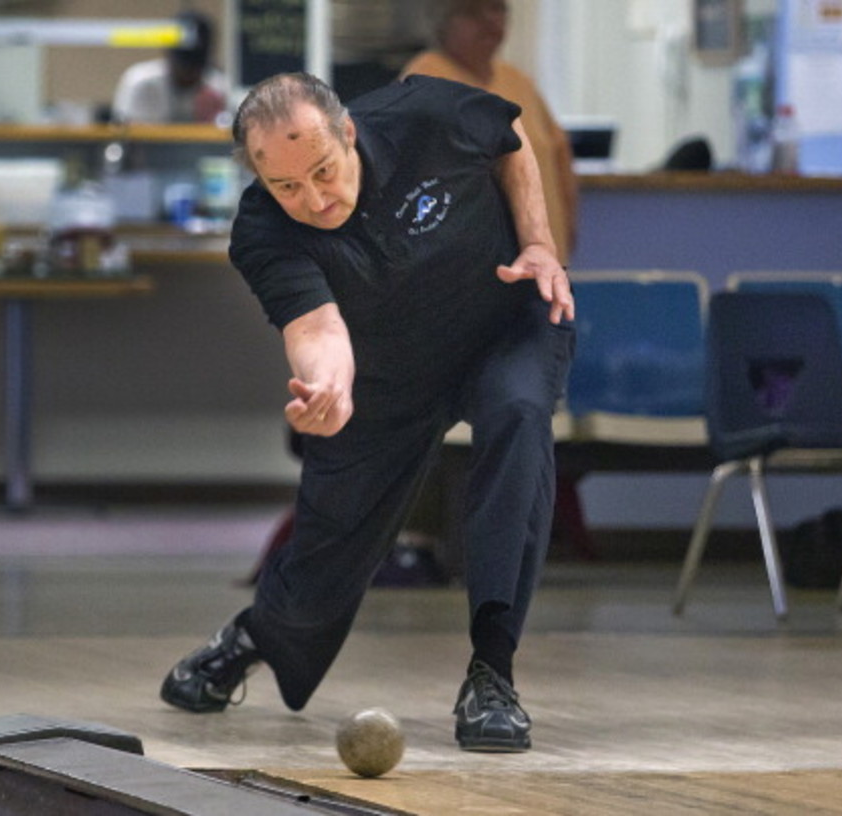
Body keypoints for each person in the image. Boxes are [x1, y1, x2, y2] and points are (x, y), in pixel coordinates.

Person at [159, 71, 575, 753]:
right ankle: (256, 635)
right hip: (385, 372)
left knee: (520, 416)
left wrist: (538, 241)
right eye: (287, 187)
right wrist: (331, 388)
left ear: (348, 130)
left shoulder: (425, 111)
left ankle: (491, 674)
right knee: (332, 536)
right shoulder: (264, 231)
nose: (315, 199)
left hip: (504, 325)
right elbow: (316, 327)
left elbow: (511, 134)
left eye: (323, 170)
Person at [401, 0, 577, 262]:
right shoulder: (423, 80)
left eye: (498, 9)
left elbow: (560, 157)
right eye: (472, 12)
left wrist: (565, 235)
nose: (490, 22)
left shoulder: (518, 81)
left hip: (541, 265)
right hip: (471, 270)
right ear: (442, 22)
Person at [112, 11, 228, 124]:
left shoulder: (219, 88)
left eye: (194, 66)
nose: (187, 72)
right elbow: (126, 134)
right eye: (183, 64)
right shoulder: (140, 83)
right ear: (168, 54)